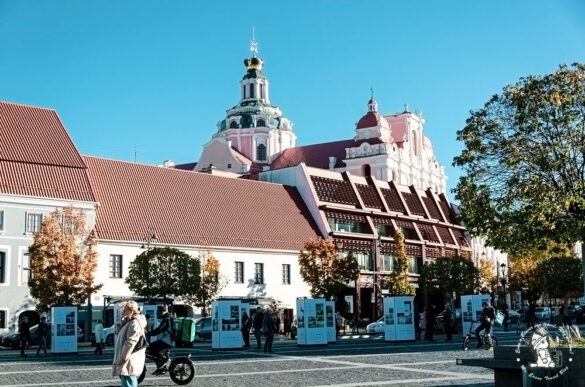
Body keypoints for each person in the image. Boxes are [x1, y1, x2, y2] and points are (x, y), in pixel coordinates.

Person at [112, 301, 147, 387]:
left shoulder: (134, 323)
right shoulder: (130, 322)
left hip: (129, 359)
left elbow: (131, 341)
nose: (122, 312)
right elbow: (122, 336)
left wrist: (123, 357)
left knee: (129, 382)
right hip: (128, 359)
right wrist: (122, 324)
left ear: (131, 311)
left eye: (124, 310)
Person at [147, 307, 173, 375]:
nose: (156, 313)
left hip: (167, 341)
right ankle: (160, 367)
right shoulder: (167, 318)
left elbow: (159, 330)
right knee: (154, 350)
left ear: (163, 312)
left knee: (151, 348)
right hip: (168, 340)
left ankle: (164, 360)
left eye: (158, 311)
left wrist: (149, 333)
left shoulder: (166, 319)